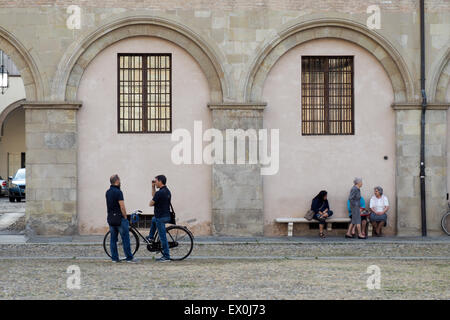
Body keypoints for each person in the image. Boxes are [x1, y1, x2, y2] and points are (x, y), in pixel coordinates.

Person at [105, 174, 138, 263]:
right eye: (119, 180)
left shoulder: (107, 192)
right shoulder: (119, 192)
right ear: (117, 181)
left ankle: (114, 258)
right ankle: (129, 258)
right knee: (125, 239)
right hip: (120, 219)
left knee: (113, 239)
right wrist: (125, 217)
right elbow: (122, 206)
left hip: (111, 218)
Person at [147, 175, 172, 262]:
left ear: (160, 181)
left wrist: (152, 201)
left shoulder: (160, 193)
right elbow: (155, 196)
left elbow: (151, 203)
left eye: (156, 181)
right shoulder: (167, 191)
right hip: (166, 216)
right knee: (154, 219)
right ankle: (151, 237)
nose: (155, 182)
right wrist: (153, 187)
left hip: (161, 217)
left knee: (162, 237)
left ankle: (166, 256)